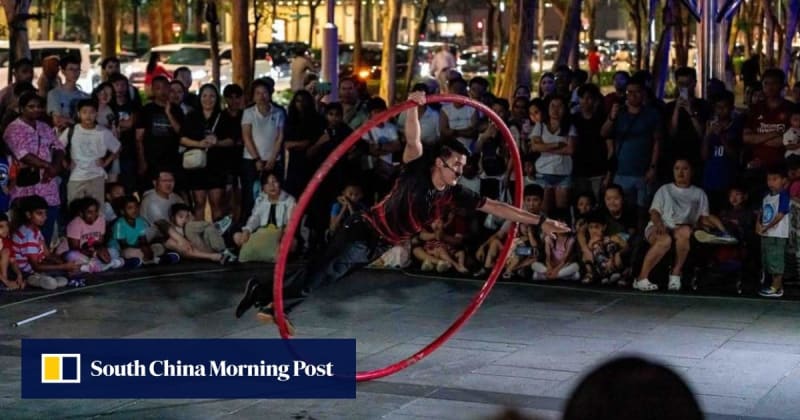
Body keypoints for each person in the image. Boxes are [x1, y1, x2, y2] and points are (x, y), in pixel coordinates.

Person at [235, 91, 571, 333]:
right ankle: (278, 307)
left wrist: (540, 221)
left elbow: (497, 206)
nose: (460, 170)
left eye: (462, 165)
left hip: (381, 243)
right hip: (363, 228)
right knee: (322, 272)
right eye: (456, 164)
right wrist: (413, 107)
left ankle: (261, 290)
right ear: (439, 162)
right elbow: (413, 140)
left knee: (327, 272)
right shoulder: (416, 170)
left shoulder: (454, 193)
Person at [758, 166, 790, 298]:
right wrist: (758, 225)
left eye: (775, 179)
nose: (771, 182)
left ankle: (777, 288)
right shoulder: (766, 196)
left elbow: (780, 215)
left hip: (777, 234)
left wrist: (767, 227)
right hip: (767, 233)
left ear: (784, 180)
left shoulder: (783, 195)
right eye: (769, 179)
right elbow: (761, 212)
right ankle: (773, 284)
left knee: (776, 261)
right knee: (769, 261)